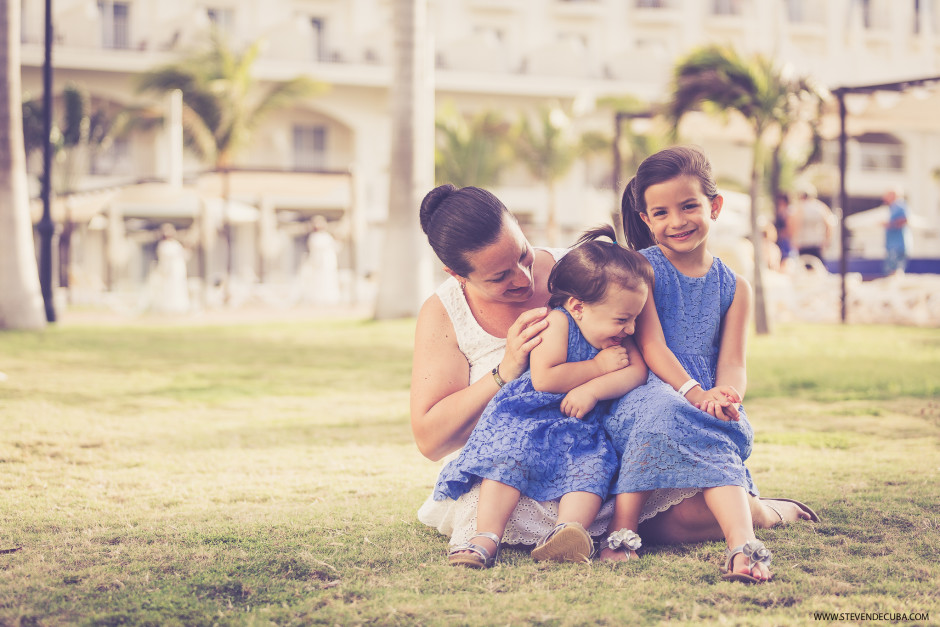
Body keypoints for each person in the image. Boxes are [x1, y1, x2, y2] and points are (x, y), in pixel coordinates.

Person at [411, 184, 816, 561]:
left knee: (699, 506)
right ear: (457, 273)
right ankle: (517, 537)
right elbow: (430, 440)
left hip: (600, 443)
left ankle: (761, 512)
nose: (523, 277)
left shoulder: (584, 270)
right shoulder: (444, 312)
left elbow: (639, 348)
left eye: (523, 254)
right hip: (518, 455)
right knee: (508, 500)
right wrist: (504, 372)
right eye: (499, 277)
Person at [608, 145, 785, 583]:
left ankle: (743, 548)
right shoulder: (641, 269)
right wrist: (693, 393)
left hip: (702, 397)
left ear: (715, 206)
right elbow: (653, 349)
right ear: (647, 219)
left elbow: (733, 362)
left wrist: (727, 395)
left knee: (711, 426)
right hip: (647, 388)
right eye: (661, 213)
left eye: (689, 206)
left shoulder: (735, 286)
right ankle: (622, 529)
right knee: (667, 408)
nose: (677, 221)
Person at [434, 226, 652, 568]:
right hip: (530, 416)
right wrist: (596, 367)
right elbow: (545, 377)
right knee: (507, 458)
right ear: (578, 306)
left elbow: (637, 372)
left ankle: (568, 532)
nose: (631, 329)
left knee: (592, 467)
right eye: (624, 319)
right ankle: (485, 536)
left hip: (581, 425)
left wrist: (593, 390)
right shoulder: (557, 322)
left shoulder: (619, 338)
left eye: (636, 318)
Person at [150, 223, 190, 314]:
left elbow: (184, 255)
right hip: (169, 272)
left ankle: (180, 308)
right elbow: (165, 260)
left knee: (179, 289)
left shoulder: (176, 244)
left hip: (178, 271)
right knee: (169, 290)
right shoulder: (163, 245)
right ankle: (168, 308)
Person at [790, 185, 834, 265]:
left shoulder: (799, 207)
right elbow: (829, 224)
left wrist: (794, 240)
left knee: (804, 269)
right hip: (817, 244)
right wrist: (827, 239)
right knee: (818, 268)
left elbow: (795, 224)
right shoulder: (821, 207)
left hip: (803, 244)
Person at [882, 188, 911, 276]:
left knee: (895, 269)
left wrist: (890, 224)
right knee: (891, 268)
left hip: (897, 245)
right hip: (892, 244)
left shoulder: (900, 206)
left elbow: (905, 220)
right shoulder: (891, 208)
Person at [773, 192, 794, 269]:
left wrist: (783, 233)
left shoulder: (788, 211)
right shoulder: (782, 210)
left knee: (786, 258)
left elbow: (789, 227)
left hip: (785, 239)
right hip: (781, 239)